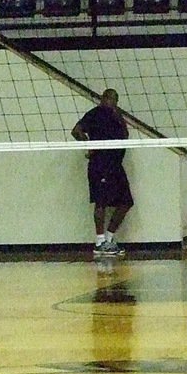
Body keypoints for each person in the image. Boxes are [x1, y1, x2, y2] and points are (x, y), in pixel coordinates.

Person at [71, 88, 133, 255]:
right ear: (103, 99)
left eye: (115, 99)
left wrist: (118, 117)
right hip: (100, 164)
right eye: (110, 98)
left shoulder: (117, 116)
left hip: (116, 165)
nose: (112, 102)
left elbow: (125, 135)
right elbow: (76, 130)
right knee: (101, 202)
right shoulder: (94, 114)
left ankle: (109, 238)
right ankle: (100, 242)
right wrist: (89, 145)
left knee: (126, 202)